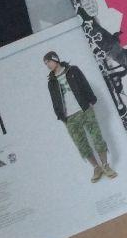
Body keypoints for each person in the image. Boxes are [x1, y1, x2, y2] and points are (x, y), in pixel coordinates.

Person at [44, 51, 117, 182]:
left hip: (84, 110)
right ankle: (96, 168)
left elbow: (85, 84)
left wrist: (91, 100)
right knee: (81, 144)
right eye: (46, 63)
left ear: (55, 59)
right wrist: (61, 116)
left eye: (48, 61)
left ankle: (105, 165)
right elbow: (54, 101)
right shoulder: (51, 82)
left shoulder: (73, 70)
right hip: (69, 117)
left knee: (97, 138)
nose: (47, 65)